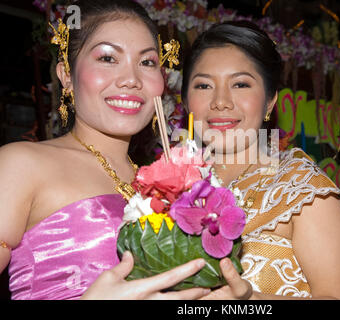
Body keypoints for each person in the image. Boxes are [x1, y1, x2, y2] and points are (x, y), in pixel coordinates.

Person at [0, 0, 210, 300]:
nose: (131, 80)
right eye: (108, 58)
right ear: (67, 75)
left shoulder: (168, 184)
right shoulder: (20, 165)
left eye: (147, 62)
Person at [181, 21, 340, 299]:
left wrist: (249, 301)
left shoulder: (302, 188)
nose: (220, 101)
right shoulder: (169, 188)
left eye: (240, 84)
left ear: (269, 101)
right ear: (185, 102)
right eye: (204, 85)